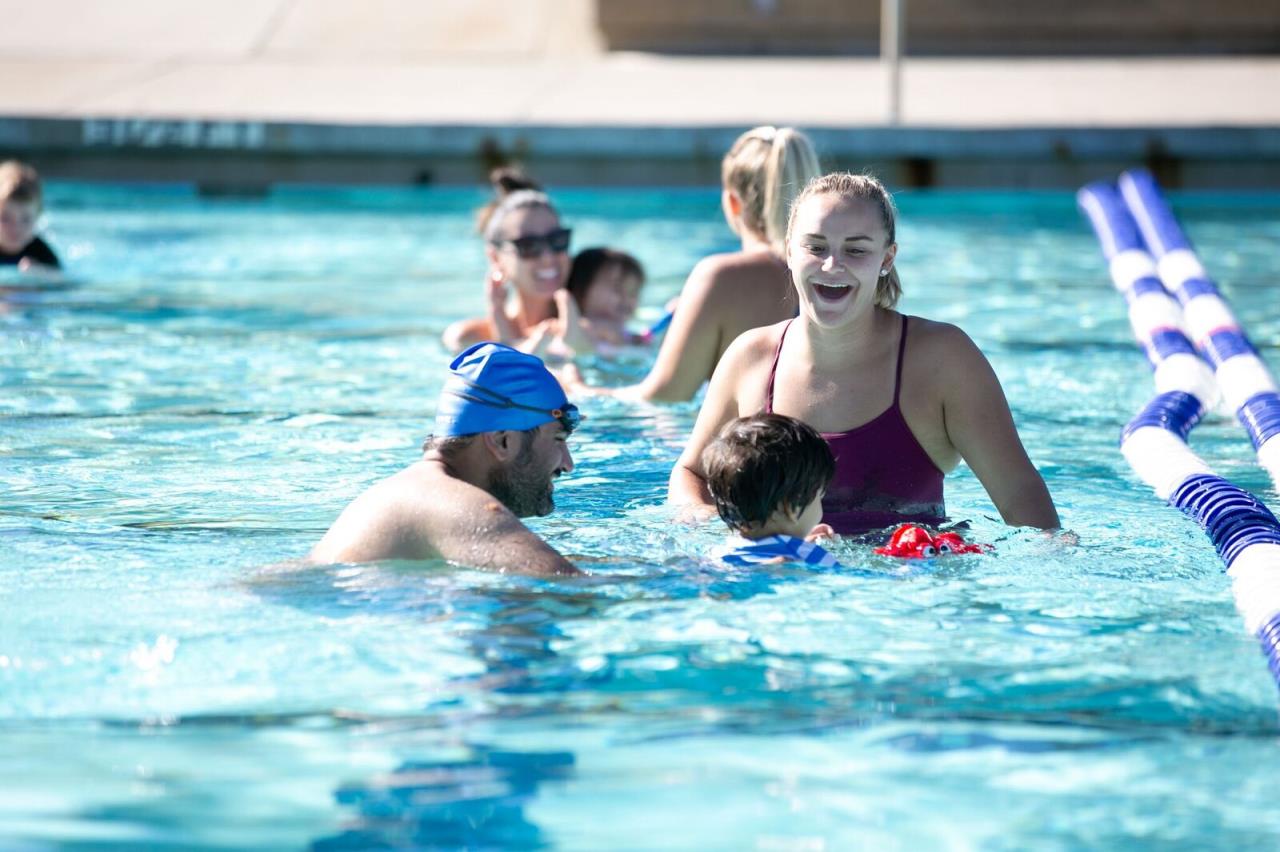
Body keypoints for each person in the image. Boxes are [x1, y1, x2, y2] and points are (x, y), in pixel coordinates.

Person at [669, 172, 1062, 535]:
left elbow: (1017, 492)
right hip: (780, 589)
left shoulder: (941, 360)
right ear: (790, 251)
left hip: (900, 590)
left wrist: (1054, 559)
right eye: (816, 247)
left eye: (856, 251)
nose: (832, 265)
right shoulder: (751, 357)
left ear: (887, 259)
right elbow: (691, 473)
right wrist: (717, 527)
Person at [562, 126, 821, 401]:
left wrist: (582, 390)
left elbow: (665, 396)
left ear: (733, 203)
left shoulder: (721, 276)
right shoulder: (835, 269)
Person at [310, 342, 582, 575]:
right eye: (558, 440)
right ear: (503, 441)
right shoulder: (452, 504)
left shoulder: (415, 491)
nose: (568, 464)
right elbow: (577, 590)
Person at [442, 173, 588, 356]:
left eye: (557, 240)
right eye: (528, 246)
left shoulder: (598, 330)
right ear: (496, 258)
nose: (548, 257)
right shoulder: (470, 339)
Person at [703, 413, 842, 568]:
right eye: (820, 496)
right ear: (791, 507)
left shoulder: (719, 553)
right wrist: (804, 549)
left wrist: (799, 543)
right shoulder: (810, 556)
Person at [562, 247, 647, 351]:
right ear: (581, 289)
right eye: (618, 288)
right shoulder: (577, 328)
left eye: (633, 292)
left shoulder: (628, 333)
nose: (627, 298)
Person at [0, 160, 60, 272]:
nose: (15, 228)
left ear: (38, 216)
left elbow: (63, 282)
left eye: (25, 219)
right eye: (5, 218)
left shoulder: (41, 254)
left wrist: (41, 274)